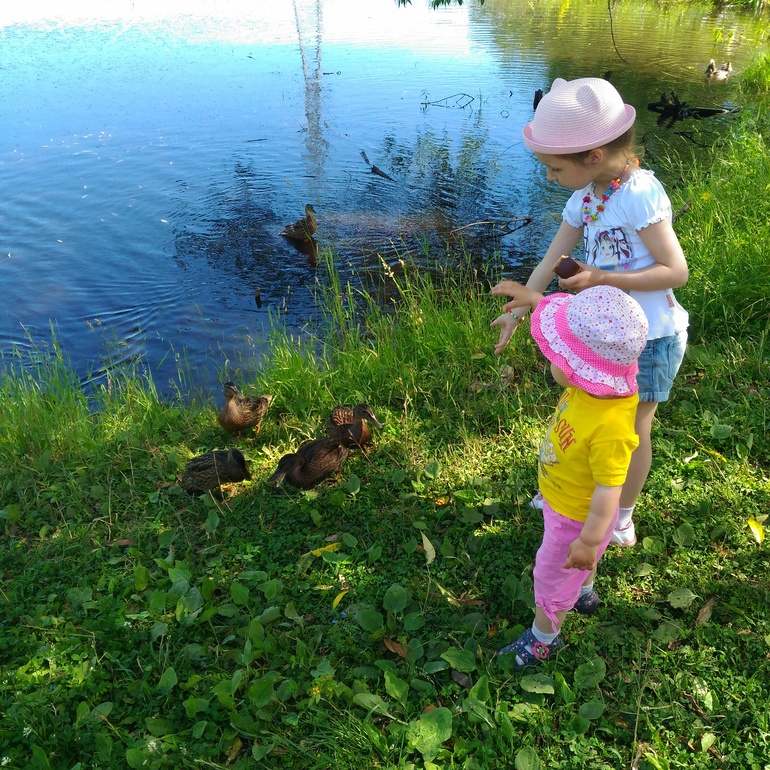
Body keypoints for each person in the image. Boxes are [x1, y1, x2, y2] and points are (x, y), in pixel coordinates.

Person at [492, 77, 688, 547]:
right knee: (584, 412)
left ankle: (621, 515)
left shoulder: (639, 195)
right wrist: (518, 311)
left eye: (555, 168)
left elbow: (675, 271)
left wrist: (601, 278)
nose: (549, 177)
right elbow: (550, 258)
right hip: (600, 336)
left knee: (630, 430)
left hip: (650, 337)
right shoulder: (586, 197)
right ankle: (573, 496)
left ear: (594, 156)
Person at [493, 284, 649, 669]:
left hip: (576, 519)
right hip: (565, 501)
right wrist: (535, 300)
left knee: (551, 575)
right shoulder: (600, 388)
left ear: (583, 369)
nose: (551, 359)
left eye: (558, 355)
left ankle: (543, 638)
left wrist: (589, 539)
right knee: (580, 565)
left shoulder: (610, 426)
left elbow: (609, 489)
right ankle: (584, 592)